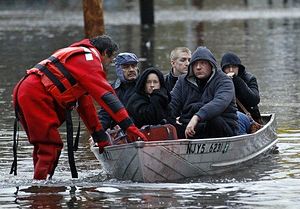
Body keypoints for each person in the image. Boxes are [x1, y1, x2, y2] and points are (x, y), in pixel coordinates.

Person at [12, 35, 146, 180]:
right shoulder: (89, 60)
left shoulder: (77, 56)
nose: (108, 64)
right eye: (110, 60)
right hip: (35, 95)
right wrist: (129, 127)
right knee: (49, 146)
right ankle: (42, 192)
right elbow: (107, 97)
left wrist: (99, 136)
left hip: (24, 91)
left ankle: (40, 186)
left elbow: (85, 105)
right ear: (105, 53)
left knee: (43, 146)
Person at [169, 46, 239, 139]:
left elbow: (219, 103)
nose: (198, 67)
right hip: (191, 128)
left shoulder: (224, 81)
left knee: (214, 119)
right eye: (195, 64)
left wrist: (197, 117)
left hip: (220, 129)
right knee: (168, 123)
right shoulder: (182, 81)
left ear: (211, 65)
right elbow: (172, 104)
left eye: (203, 63)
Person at [98, 52, 139, 131]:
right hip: (120, 131)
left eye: (133, 66)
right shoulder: (112, 90)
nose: (131, 70)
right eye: (126, 67)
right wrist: (98, 133)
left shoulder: (145, 85)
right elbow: (104, 115)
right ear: (118, 69)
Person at [221, 52, 262, 123]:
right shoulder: (220, 81)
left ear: (238, 68)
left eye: (233, 67)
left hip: (250, 118)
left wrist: (237, 80)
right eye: (227, 67)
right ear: (223, 70)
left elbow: (254, 100)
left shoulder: (250, 79)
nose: (231, 70)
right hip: (229, 117)